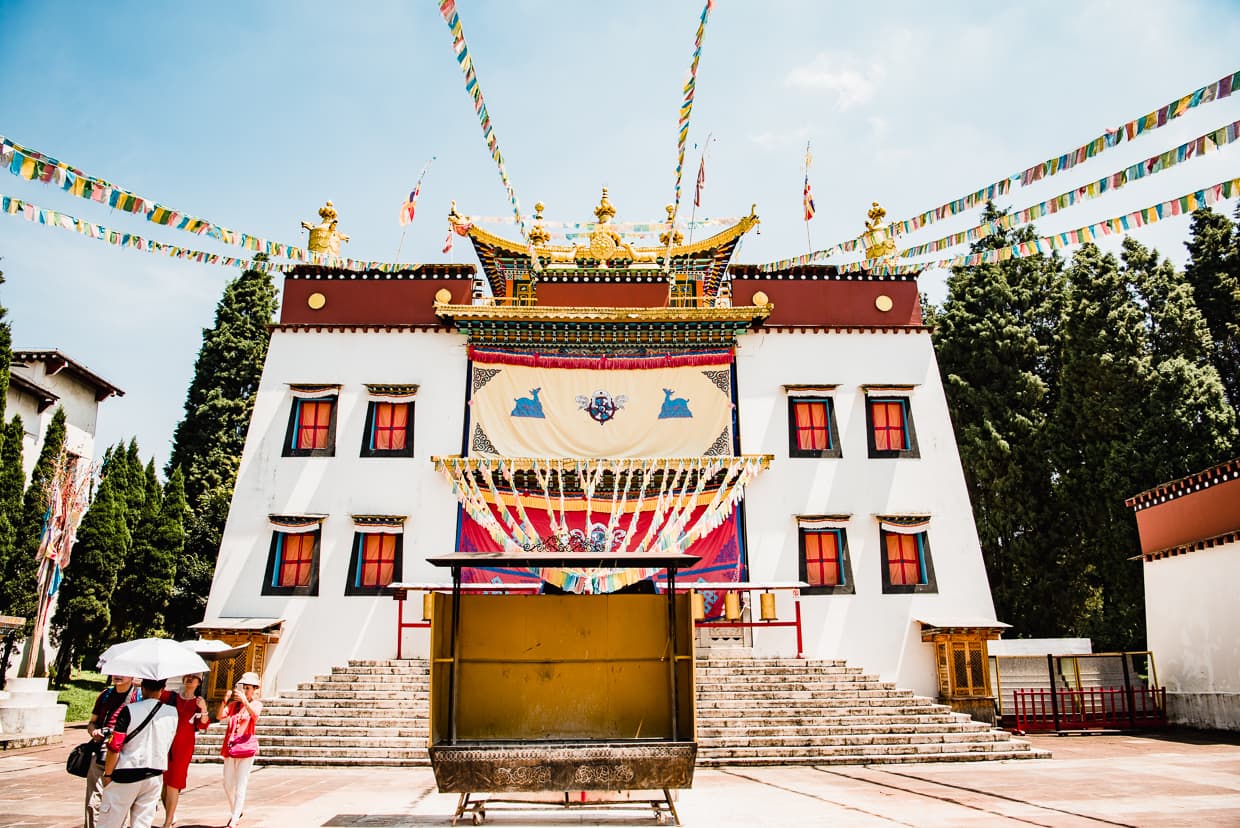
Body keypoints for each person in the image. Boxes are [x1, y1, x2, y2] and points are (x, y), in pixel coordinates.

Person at [98, 678, 178, 828]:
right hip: (154, 774)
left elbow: (115, 746)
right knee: (143, 823)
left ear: (143, 687)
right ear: (163, 688)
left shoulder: (129, 710)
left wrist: (108, 774)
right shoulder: (172, 713)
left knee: (110, 821)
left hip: (127, 772)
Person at [84, 675, 142, 828]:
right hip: (101, 749)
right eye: (116, 671)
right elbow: (92, 723)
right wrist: (94, 732)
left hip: (125, 752)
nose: (118, 675)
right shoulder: (105, 695)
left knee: (120, 800)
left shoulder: (139, 697)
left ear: (132, 676)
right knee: (94, 800)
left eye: (123, 672)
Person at [159, 674, 209, 828]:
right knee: (164, 786)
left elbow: (203, 725)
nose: (190, 679)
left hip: (183, 746)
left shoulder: (198, 702)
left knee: (174, 783)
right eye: (188, 676)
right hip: (166, 743)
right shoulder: (171, 697)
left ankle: (167, 822)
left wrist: (204, 709)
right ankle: (171, 814)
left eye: (194, 677)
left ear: (199, 682)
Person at [217, 672, 262, 828]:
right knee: (227, 783)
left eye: (249, 688)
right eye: (244, 687)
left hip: (246, 747)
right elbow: (219, 716)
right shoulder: (234, 706)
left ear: (254, 690)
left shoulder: (256, 704)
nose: (246, 690)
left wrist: (246, 702)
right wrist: (225, 700)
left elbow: (255, 715)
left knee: (241, 783)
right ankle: (236, 809)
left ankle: (235, 818)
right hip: (231, 747)